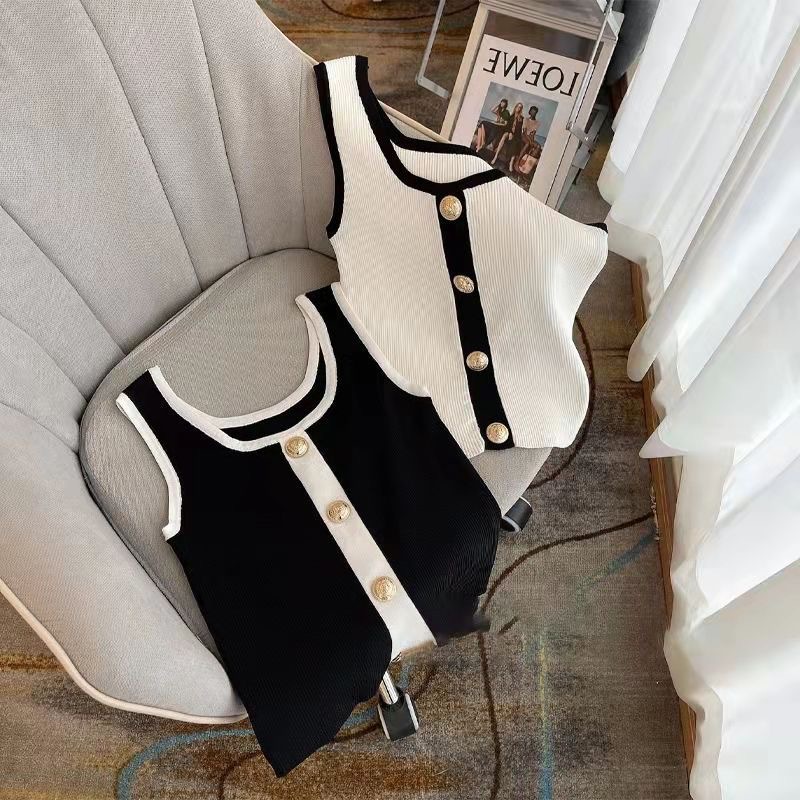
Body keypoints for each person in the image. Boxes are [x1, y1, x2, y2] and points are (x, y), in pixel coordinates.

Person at [491, 102, 525, 172]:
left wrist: (514, 135)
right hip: (509, 132)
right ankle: (495, 156)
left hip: (516, 135)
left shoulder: (521, 118)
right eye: (518, 107)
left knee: (516, 142)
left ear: (521, 109)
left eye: (520, 107)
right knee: (504, 136)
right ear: (515, 107)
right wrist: (510, 133)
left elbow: (519, 130)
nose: (518, 108)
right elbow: (507, 127)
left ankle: (511, 163)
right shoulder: (511, 116)